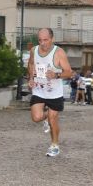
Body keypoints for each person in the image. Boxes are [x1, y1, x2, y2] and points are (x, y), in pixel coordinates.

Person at [28, 28, 72, 157]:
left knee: (53, 119)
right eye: (40, 40)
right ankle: (45, 117)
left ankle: (54, 145)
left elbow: (69, 72)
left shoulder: (59, 53)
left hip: (54, 93)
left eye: (45, 40)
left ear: (52, 39)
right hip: (39, 90)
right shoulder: (33, 51)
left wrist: (56, 75)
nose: (42, 43)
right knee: (36, 117)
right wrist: (31, 78)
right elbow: (31, 64)